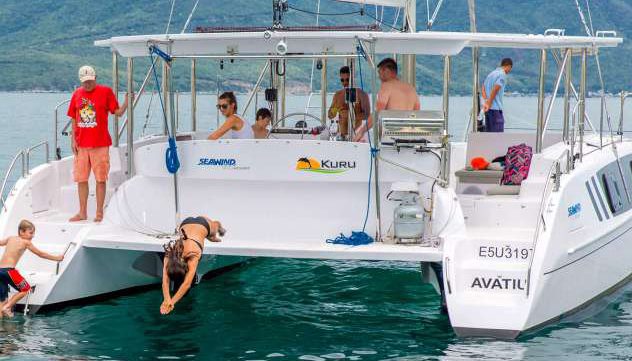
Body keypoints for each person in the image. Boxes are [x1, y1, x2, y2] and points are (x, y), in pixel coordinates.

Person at [67, 65, 128, 222]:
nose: (87, 84)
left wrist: (127, 102)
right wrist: (73, 139)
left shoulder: (106, 92)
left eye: (90, 81)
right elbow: (74, 117)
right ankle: (82, 212)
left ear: (95, 78)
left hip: (100, 144)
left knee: (100, 178)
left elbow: (118, 112)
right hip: (81, 145)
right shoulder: (77, 94)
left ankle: (99, 212)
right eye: (84, 82)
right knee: (81, 179)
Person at [160, 216, 225, 315]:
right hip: (185, 223)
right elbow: (165, 281)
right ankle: (211, 235)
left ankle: (219, 228)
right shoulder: (170, 253)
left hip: (203, 224)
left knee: (213, 232)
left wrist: (171, 303)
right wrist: (166, 300)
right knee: (210, 237)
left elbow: (186, 284)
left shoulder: (193, 255)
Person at [0, 220, 64, 317]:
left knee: (2, 301)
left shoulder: (11, 238)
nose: (32, 235)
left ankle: (2, 328)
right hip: (9, 271)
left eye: (33, 233)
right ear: (21, 231)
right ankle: (8, 307)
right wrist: (57, 258)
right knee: (26, 289)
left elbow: (0, 243)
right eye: (30, 233)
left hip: (0, 270)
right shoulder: (26, 242)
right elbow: (41, 254)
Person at [353, 58, 420, 142]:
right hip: (410, 138)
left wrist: (361, 131)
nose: (379, 76)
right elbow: (417, 113)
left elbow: (377, 113)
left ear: (386, 71)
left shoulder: (386, 86)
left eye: (379, 72)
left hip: (392, 138)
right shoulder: (411, 89)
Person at [328, 66, 370, 139]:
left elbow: (367, 115)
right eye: (342, 80)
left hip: (356, 133)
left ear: (353, 78)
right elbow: (330, 115)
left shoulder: (362, 95)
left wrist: (350, 114)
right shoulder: (338, 95)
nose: (345, 83)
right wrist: (335, 109)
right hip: (341, 135)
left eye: (347, 80)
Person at [481, 58, 513, 132]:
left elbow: (483, 87)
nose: (509, 71)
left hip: (488, 109)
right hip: (495, 109)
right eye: (510, 68)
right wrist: (489, 103)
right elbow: (496, 88)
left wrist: (486, 101)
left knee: (489, 133)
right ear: (508, 66)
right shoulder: (502, 75)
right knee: (498, 135)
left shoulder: (491, 74)